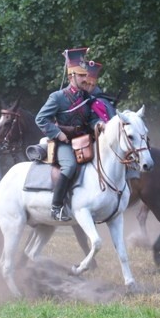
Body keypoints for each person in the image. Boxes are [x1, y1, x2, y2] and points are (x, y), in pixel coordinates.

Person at [36, 47, 102, 221]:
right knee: (70, 166)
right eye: (81, 75)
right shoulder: (57, 97)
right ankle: (56, 206)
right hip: (63, 142)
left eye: (84, 75)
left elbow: (92, 119)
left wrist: (99, 125)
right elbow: (41, 119)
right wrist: (58, 134)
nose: (84, 78)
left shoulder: (87, 97)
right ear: (71, 76)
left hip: (84, 140)